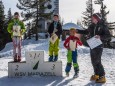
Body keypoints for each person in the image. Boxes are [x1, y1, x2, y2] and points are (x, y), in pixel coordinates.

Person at [77, 13, 111, 83]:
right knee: (93, 61)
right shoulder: (92, 25)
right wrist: (78, 31)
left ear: (97, 18)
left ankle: (102, 77)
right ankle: (96, 75)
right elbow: (86, 31)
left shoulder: (103, 25)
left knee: (97, 61)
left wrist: (100, 37)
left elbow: (108, 36)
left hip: (99, 45)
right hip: (92, 44)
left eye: (93, 18)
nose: (92, 19)